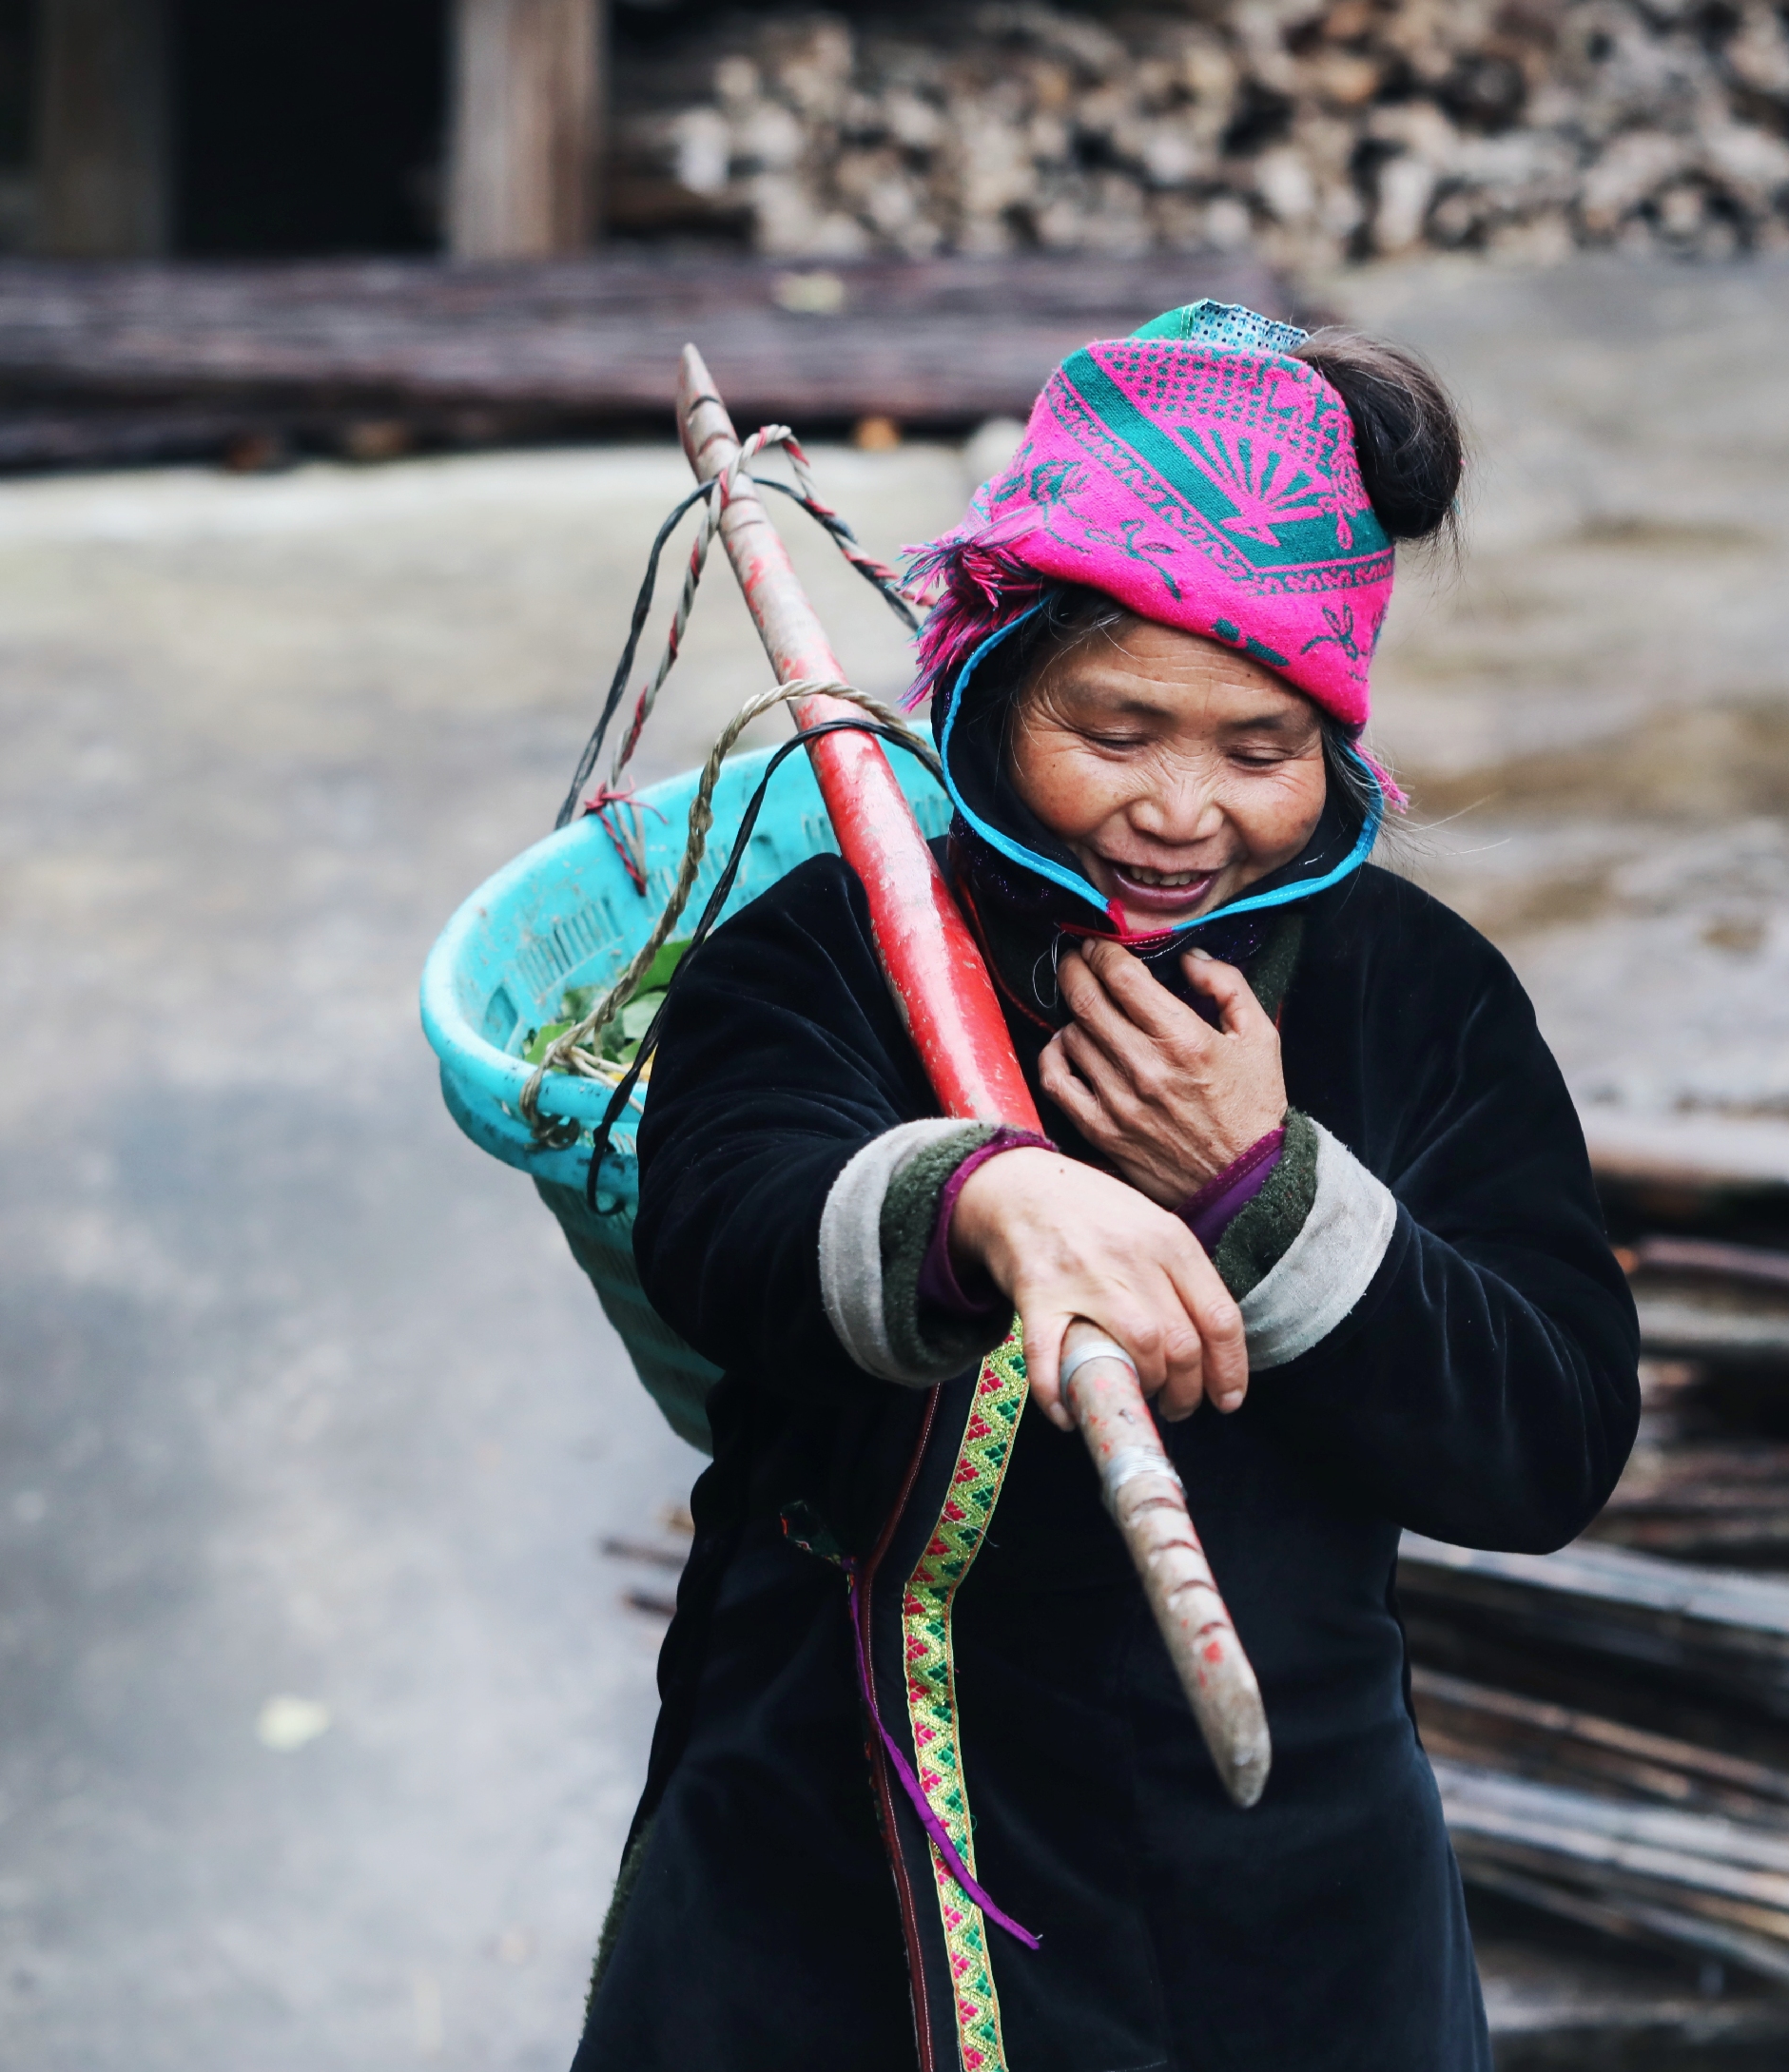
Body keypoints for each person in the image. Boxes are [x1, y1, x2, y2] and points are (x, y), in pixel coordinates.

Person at [576, 300, 1640, 2072]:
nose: (1179, 810)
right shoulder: (837, 941)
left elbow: (1550, 1436)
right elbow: (720, 1215)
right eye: (1116, 725)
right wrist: (989, 1200)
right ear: (993, 693)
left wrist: (1262, 1183)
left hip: (1280, 1878)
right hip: (833, 1825)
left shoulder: (1413, 994)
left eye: (1259, 748)